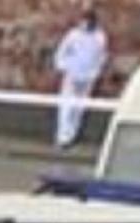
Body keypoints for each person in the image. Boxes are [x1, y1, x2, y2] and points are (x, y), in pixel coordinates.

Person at [54, 9, 109, 149]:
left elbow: (101, 56)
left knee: (79, 107)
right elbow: (61, 52)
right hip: (72, 75)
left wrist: (96, 72)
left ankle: (72, 136)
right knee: (67, 106)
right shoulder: (73, 35)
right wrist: (65, 67)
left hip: (88, 77)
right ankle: (62, 137)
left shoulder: (100, 37)